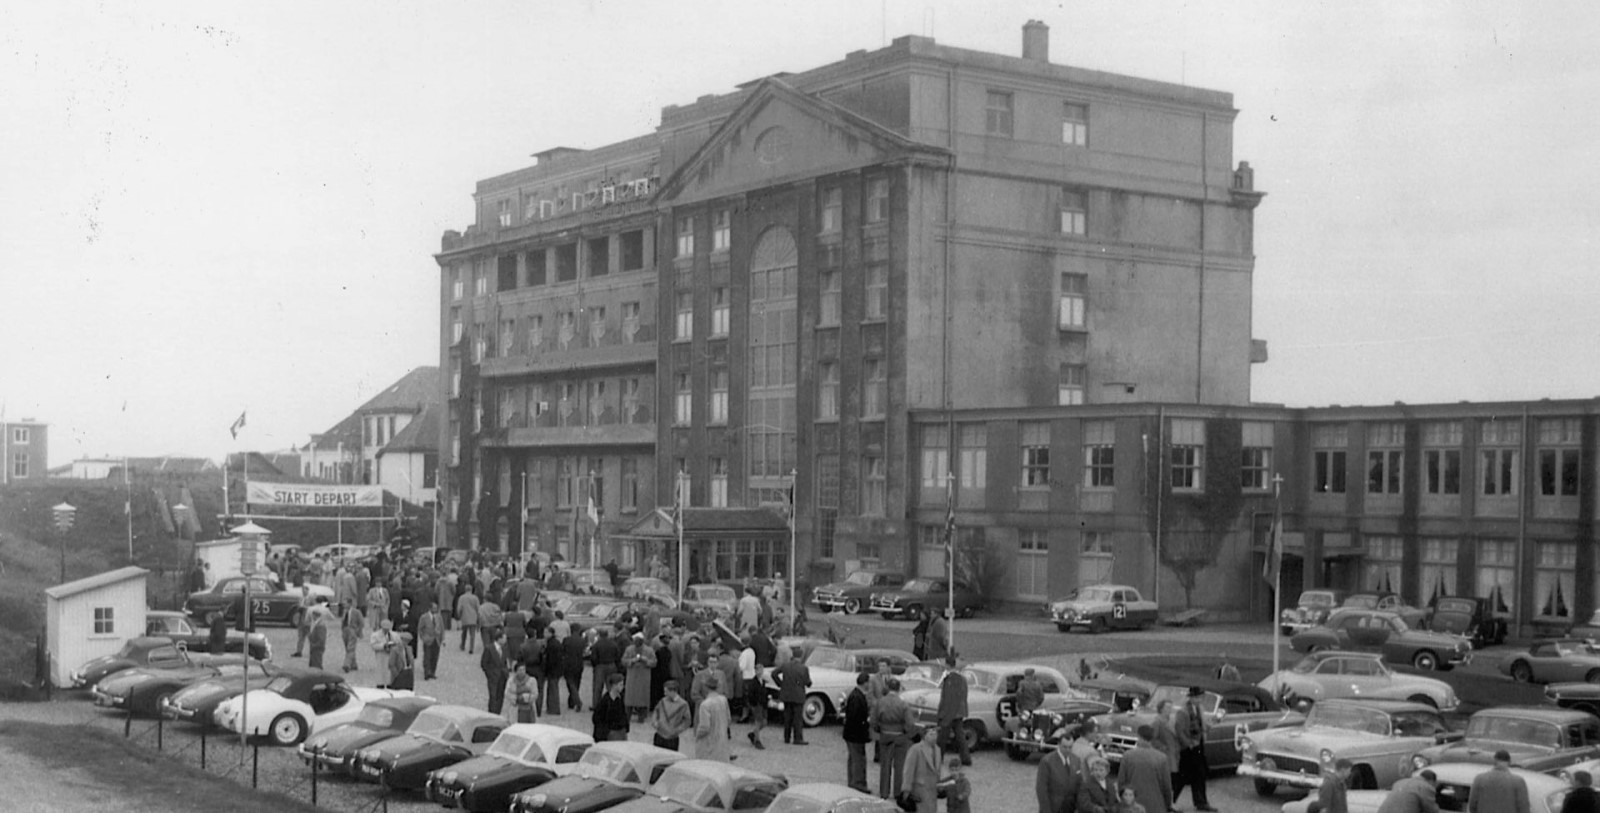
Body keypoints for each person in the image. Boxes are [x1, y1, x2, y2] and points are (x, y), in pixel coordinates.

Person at [1172, 686, 1216, 811]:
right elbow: (1179, 731)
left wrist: (1208, 726)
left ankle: (1201, 802)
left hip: (1198, 745)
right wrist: (1188, 744)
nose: (1200, 699)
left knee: (1200, 775)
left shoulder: (1199, 709)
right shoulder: (1183, 711)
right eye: (1198, 697)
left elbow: (1201, 726)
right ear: (1192, 697)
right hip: (1188, 749)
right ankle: (1170, 800)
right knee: (1182, 777)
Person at [1116, 724, 1173, 813]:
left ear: (1139, 736)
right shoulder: (1162, 758)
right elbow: (1167, 787)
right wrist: (1168, 805)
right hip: (1157, 806)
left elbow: (1121, 783)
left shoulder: (1128, 756)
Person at [872, 677, 912, 799]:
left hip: (885, 735)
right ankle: (897, 792)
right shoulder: (903, 704)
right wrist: (904, 731)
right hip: (899, 736)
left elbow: (873, 721)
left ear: (888, 688)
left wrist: (879, 729)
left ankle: (884, 792)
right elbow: (910, 723)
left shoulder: (880, 702)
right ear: (899, 689)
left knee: (885, 765)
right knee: (899, 766)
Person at [1035, 726, 1083, 813]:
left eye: (1070, 747)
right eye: (1065, 747)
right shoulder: (1047, 761)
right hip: (1054, 807)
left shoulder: (1076, 760)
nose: (1068, 750)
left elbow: (1079, 785)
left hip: (1070, 808)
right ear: (1059, 745)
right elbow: (1041, 789)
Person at [772, 644, 812, 745]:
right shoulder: (803, 668)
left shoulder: (786, 665)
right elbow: (808, 682)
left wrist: (781, 684)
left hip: (786, 694)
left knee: (787, 717)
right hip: (798, 696)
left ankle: (787, 737)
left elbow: (774, 674)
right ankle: (797, 738)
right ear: (801, 656)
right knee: (797, 719)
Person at [937, 655, 970, 766]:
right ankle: (965, 757)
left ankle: (938, 758)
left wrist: (942, 713)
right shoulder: (962, 678)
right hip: (959, 711)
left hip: (950, 712)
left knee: (942, 738)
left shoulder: (950, 679)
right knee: (960, 736)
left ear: (947, 664)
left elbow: (948, 698)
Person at [843, 671, 873, 793]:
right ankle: (858, 783)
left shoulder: (855, 694)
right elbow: (855, 718)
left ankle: (853, 781)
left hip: (851, 734)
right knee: (858, 759)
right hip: (855, 735)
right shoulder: (857, 697)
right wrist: (866, 723)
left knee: (853, 758)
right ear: (865, 683)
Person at [901, 726, 942, 813]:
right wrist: (906, 789)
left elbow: (938, 771)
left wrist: (939, 785)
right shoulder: (915, 749)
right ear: (924, 736)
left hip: (932, 789)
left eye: (935, 734)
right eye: (931, 734)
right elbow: (908, 771)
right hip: (919, 789)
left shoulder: (938, 750)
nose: (934, 737)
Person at [695, 673, 733, 762]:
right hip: (722, 740)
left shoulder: (705, 705)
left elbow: (705, 727)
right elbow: (729, 719)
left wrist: (698, 735)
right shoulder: (723, 700)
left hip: (709, 743)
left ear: (706, 688)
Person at [739, 635, 767, 749]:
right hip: (752, 679)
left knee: (759, 720)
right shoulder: (752, 652)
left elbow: (742, 666)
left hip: (746, 677)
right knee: (759, 721)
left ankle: (746, 719)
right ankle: (756, 739)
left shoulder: (744, 653)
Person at [623, 632, 657, 721]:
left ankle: (642, 716)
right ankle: (627, 715)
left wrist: (646, 661)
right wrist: (632, 660)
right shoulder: (629, 649)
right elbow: (623, 661)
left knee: (643, 698)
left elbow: (654, 662)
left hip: (644, 677)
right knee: (630, 698)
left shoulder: (649, 650)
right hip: (632, 677)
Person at [650, 679, 691, 751]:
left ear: (673, 691)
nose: (665, 693)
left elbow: (687, 721)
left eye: (666, 691)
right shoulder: (663, 701)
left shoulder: (683, 704)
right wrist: (655, 722)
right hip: (660, 734)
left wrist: (677, 730)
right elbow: (656, 712)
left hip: (672, 738)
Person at [867, 659, 893, 765]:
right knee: (878, 733)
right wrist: (878, 704)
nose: (881, 668)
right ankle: (878, 755)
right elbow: (870, 695)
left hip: (889, 709)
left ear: (888, 667)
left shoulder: (891, 678)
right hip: (878, 709)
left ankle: (887, 755)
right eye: (880, 666)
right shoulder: (873, 679)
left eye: (883, 666)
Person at [591, 628, 622, 710]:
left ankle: (596, 705)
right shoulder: (613, 644)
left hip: (600, 666)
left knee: (598, 687)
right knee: (611, 686)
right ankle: (613, 704)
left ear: (599, 635)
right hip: (611, 665)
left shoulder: (596, 644)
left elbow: (593, 657)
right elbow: (618, 655)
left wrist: (595, 665)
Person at [592, 672, 630, 742]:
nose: (623, 687)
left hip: (619, 731)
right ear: (614, 685)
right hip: (608, 732)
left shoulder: (620, 699)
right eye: (620, 684)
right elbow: (597, 718)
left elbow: (623, 715)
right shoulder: (605, 701)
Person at [482, 627, 509, 714]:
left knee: (500, 696)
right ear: (499, 639)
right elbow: (484, 664)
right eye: (504, 638)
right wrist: (490, 674)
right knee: (493, 696)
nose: (506, 640)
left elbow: (504, 662)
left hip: (502, 676)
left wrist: (506, 672)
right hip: (493, 676)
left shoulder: (504, 649)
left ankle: (498, 713)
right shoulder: (489, 648)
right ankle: (492, 713)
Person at [562, 625, 588, 713]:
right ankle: (571, 702)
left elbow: (563, 651)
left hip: (568, 663)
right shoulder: (582, 641)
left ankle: (576, 701)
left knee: (570, 683)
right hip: (579, 663)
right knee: (576, 682)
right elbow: (585, 652)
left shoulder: (566, 640)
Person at [417, 602, 443, 680]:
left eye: (436, 608)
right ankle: (426, 672)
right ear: (430, 608)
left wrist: (442, 639)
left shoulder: (439, 617)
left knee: (435, 657)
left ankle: (432, 672)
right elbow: (420, 628)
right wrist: (423, 637)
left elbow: (442, 628)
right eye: (434, 608)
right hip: (428, 639)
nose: (435, 610)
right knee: (427, 656)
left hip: (437, 639)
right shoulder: (424, 617)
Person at [306, 597, 332, 670]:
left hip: (313, 630)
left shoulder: (310, 609)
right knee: (316, 657)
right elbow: (332, 618)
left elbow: (306, 620)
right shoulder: (325, 609)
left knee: (314, 657)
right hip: (321, 628)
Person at [291, 585, 315, 657]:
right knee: (300, 636)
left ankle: (313, 651)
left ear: (308, 590)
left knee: (310, 637)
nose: (303, 592)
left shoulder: (311, 599)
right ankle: (299, 651)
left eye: (305, 590)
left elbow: (313, 608)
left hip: (308, 619)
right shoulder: (301, 598)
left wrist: (305, 608)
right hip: (301, 619)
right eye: (302, 590)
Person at [341, 602, 365, 673]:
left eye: (345, 603)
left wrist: (357, 631)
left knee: (350, 648)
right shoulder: (345, 611)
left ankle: (347, 664)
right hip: (345, 630)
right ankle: (353, 665)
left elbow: (362, 622)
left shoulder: (356, 612)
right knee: (347, 648)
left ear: (350, 603)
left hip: (352, 630)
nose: (344, 605)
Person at [455, 587, 480, 653]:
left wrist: (459, 615)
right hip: (473, 617)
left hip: (465, 617)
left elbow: (459, 608)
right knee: (472, 634)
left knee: (464, 633)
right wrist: (478, 617)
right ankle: (471, 648)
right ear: (471, 590)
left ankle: (462, 645)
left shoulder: (462, 597)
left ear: (465, 590)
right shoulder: (475, 598)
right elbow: (478, 608)